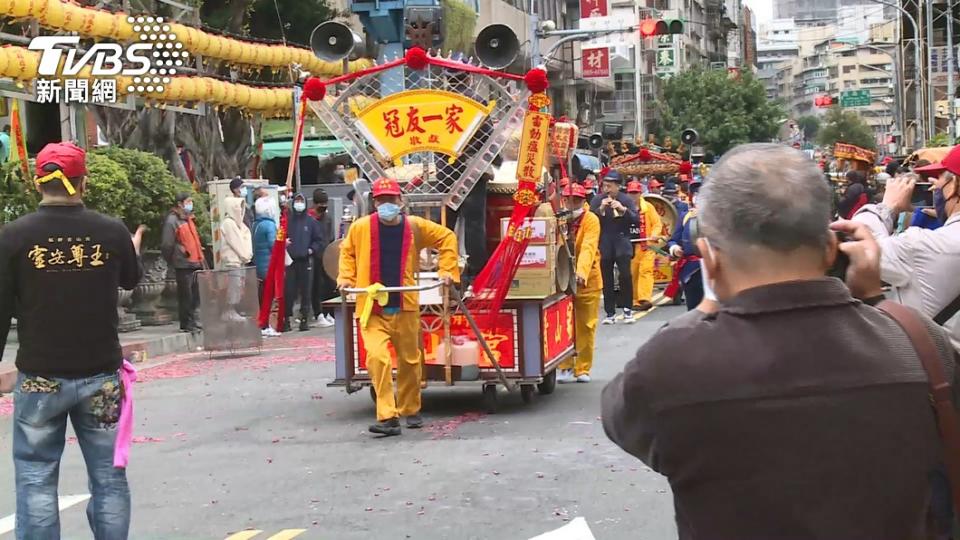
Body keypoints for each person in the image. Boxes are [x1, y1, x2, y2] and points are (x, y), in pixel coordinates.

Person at [602, 143, 958, 538]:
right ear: (830, 246)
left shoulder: (671, 365)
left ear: (711, 257)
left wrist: (708, 299)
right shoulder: (919, 343)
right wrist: (873, 298)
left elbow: (620, 418)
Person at [0, 142, 143, 539]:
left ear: (37, 180)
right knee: (109, 477)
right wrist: (131, 248)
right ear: (84, 181)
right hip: (100, 375)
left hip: (41, 376)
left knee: (35, 477)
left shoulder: (13, 236)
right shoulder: (110, 231)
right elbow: (131, 280)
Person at [338, 177, 459, 436]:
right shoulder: (360, 228)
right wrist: (345, 278)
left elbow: (447, 237)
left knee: (410, 360)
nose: (386, 205)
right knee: (378, 358)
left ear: (400, 201)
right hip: (372, 307)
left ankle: (410, 408)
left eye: (390, 200)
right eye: (381, 200)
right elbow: (346, 253)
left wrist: (447, 270)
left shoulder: (414, 227)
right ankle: (387, 416)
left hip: (404, 304)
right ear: (374, 202)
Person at [854, 145, 960, 353]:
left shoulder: (926, 246)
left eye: (939, 177)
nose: (932, 186)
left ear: (954, 184)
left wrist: (887, 206)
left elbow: (862, 240)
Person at [557, 183, 602, 384]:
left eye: (576, 200)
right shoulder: (559, 219)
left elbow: (588, 247)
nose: (571, 203)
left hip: (587, 280)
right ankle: (564, 365)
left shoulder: (591, 219)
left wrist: (581, 272)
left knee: (586, 325)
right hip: (562, 279)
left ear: (583, 201)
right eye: (568, 199)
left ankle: (582, 367)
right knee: (564, 323)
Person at [590, 170, 639, 325]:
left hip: (622, 241)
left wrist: (623, 209)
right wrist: (601, 210)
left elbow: (636, 220)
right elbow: (590, 220)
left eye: (610, 186)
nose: (607, 189)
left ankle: (627, 309)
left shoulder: (626, 199)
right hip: (605, 242)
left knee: (625, 276)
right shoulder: (598, 199)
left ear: (618, 186)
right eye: (605, 186)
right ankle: (610, 312)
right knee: (607, 278)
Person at [161, 192, 205, 333]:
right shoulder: (172, 221)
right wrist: (174, 258)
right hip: (183, 263)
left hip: (195, 262)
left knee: (195, 295)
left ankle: (193, 320)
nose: (190, 204)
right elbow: (167, 244)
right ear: (180, 204)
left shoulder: (188, 219)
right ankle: (186, 322)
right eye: (188, 201)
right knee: (186, 295)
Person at [285, 193, 322, 332]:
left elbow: (319, 240)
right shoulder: (288, 221)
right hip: (290, 261)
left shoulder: (311, 222)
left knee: (306, 290)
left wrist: (311, 250)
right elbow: (280, 237)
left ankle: (305, 318)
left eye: (301, 200)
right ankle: (287, 319)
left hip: (306, 261)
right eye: (297, 201)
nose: (299, 203)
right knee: (289, 290)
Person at [666, 179, 705, 311]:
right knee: (693, 309)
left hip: (713, 268)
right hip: (690, 269)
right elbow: (673, 240)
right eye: (695, 193)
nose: (698, 196)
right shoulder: (685, 216)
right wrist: (674, 248)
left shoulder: (717, 216)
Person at [626, 180, 662, 311]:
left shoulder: (648, 208)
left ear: (640, 193)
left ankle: (645, 298)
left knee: (645, 271)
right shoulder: (624, 208)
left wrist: (654, 234)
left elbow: (657, 224)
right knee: (633, 273)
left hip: (647, 246)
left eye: (635, 192)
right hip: (631, 247)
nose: (633, 195)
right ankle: (635, 300)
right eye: (631, 193)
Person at [219, 196, 253, 321]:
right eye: (238, 207)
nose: (240, 210)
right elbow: (236, 242)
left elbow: (246, 236)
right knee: (233, 287)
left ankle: (234, 310)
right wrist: (245, 255)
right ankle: (229, 311)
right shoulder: (228, 223)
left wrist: (246, 255)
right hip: (232, 262)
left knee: (238, 287)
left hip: (240, 261)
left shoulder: (239, 224)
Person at [309, 189, 336, 328]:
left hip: (326, 256)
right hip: (314, 256)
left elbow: (331, 237)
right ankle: (318, 313)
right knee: (316, 286)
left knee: (329, 285)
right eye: (321, 203)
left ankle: (329, 313)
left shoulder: (328, 218)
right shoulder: (310, 218)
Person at [252, 196, 279, 336]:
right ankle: (265, 325)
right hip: (268, 265)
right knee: (268, 296)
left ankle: (264, 324)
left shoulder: (256, 224)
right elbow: (273, 244)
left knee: (262, 296)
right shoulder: (269, 225)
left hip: (259, 265)